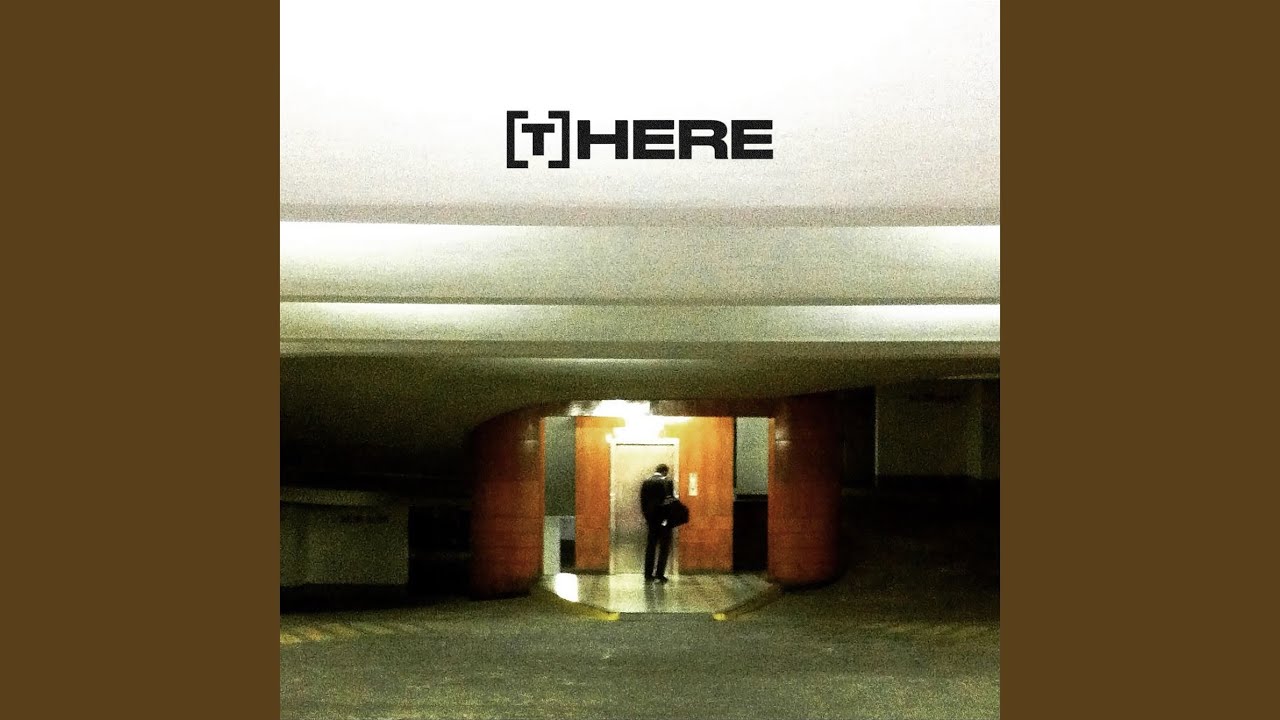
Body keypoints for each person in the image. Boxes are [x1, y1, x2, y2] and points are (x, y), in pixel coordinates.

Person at [639, 463, 676, 582]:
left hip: (651, 520)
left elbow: (642, 501)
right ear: (665, 472)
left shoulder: (646, 482)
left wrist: (647, 517)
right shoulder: (667, 482)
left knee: (651, 546)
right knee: (664, 547)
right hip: (664, 521)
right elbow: (669, 501)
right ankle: (660, 574)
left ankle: (648, 574)